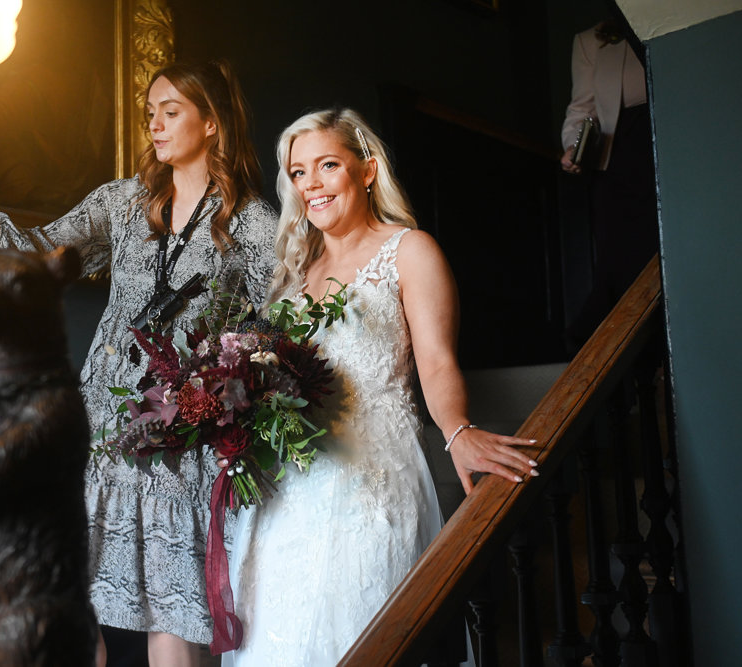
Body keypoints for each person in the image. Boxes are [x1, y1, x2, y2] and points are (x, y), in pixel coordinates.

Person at [0, 61, 277, 667]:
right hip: (97, 422)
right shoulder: (123, 202)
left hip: (181, 438)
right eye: (149, 113)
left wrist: (222, 379)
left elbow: (278, 320)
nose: (154, 124)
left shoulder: (252, 221)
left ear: (212, 122)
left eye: (169, 112)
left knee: (171, 615)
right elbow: (41, 252)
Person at [220, 108, 539, 666]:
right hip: (286, 493)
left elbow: (436, 362)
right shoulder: (296, 274)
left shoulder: (409, 250)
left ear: (366, 171)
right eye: (298, 173)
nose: (311, 185)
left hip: (369, 484)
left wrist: (457, 429)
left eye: (326, 166)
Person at [560, 19, 658, 344]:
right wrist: (575, 147)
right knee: (622, 259)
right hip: (621, 153)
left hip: (674, 137)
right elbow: (582, 108)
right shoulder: (591, 40)